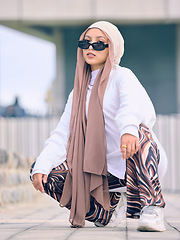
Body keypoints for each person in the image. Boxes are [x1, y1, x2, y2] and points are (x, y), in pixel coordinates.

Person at [30, 21, 168, 231]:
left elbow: (133, 106)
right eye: (86, 43)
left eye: (100, 44)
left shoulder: (122, 76)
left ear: (112, 48)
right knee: (44, 171)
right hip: (101, 172)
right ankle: (106, 212)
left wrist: (128, 129)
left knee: (138, 130)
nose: (91, 48)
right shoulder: (77, 92)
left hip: (135, 163)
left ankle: (152, 206)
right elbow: (62, 134)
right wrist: (41, 166)